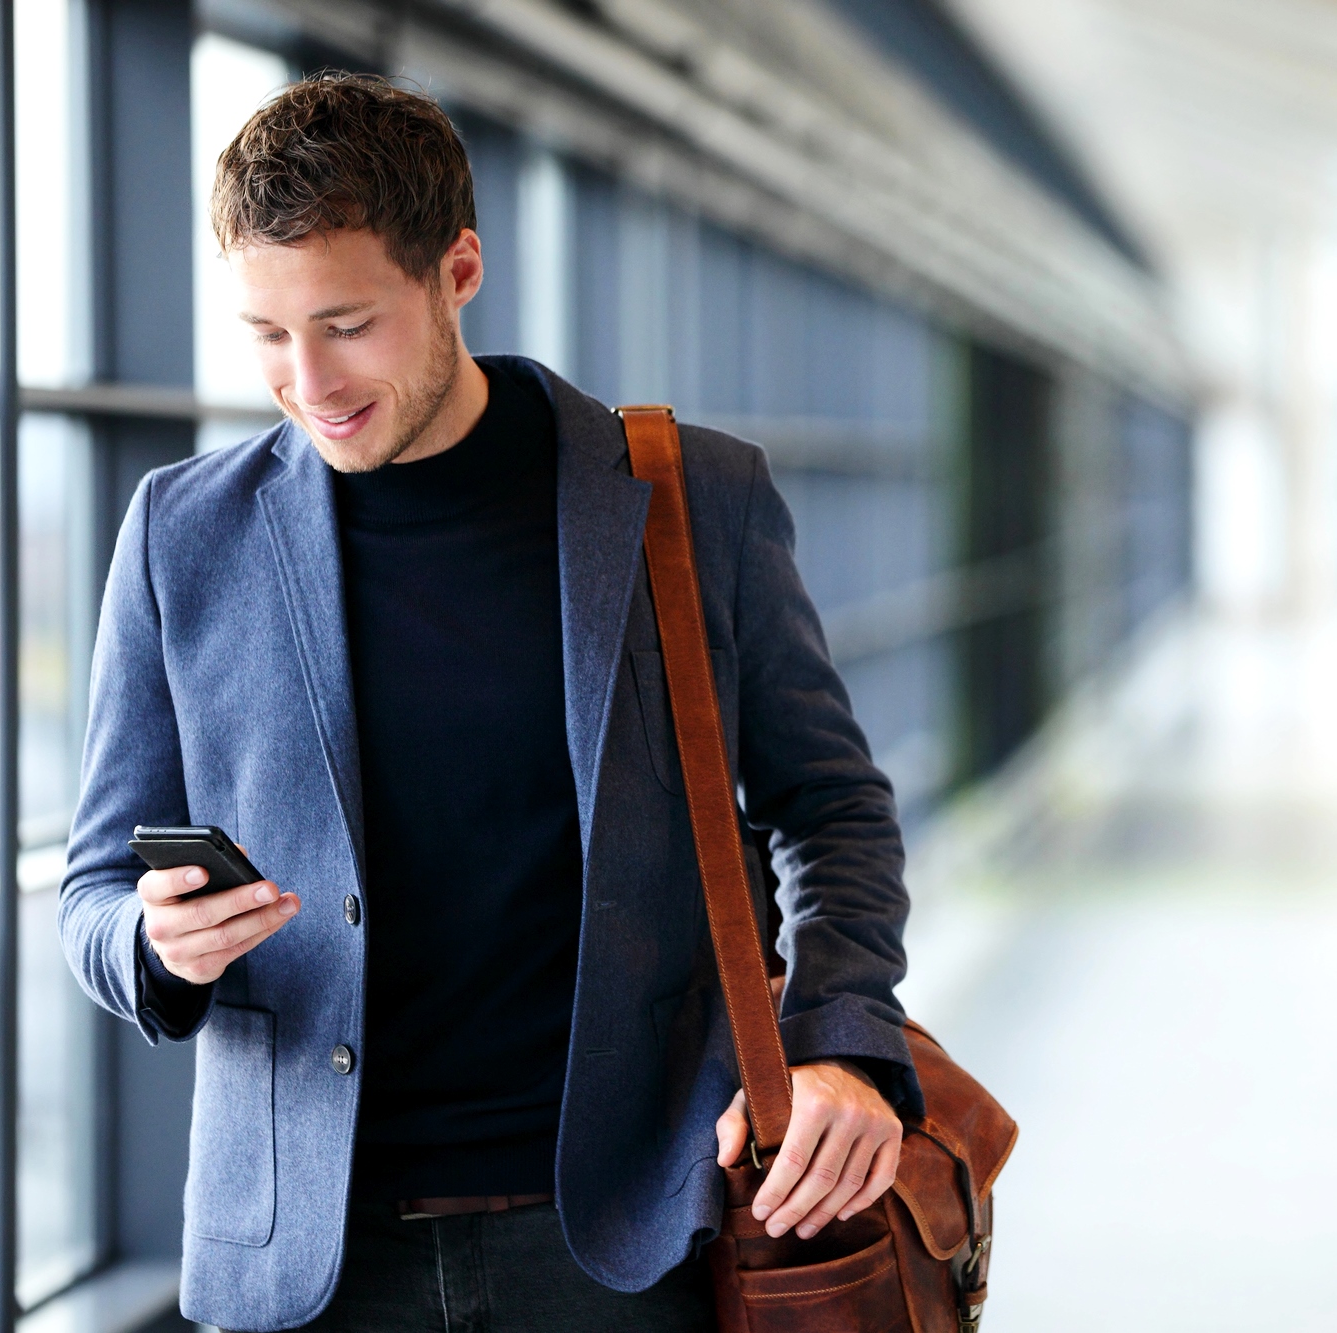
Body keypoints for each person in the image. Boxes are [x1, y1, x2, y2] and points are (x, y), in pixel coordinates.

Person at [58, 72, 916, 1333]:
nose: (308, 379)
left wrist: (840, 1034)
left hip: (626, 1241)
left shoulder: (682, 499)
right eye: (266, 333)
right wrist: (152, 943)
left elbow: (830, 805)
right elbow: (89, 895)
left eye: (348, 323)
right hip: (312, 1262)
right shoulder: (181, 536)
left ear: (457, 269)